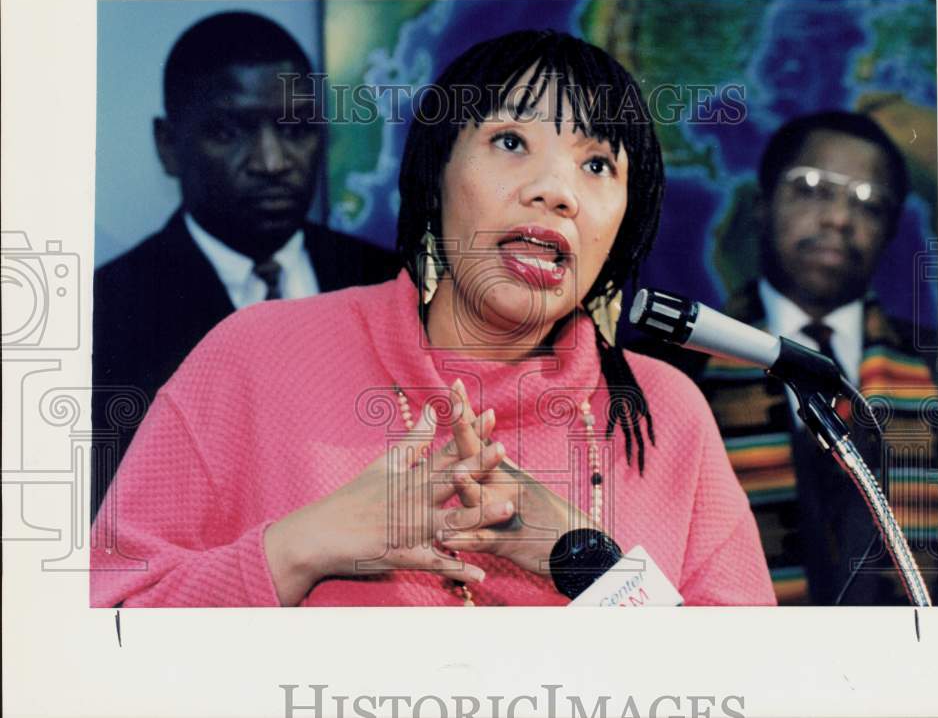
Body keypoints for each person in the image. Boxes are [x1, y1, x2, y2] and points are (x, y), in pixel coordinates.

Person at [90, 30, 775, 608]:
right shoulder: (256, 355)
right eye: (510, 141)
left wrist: (591, 565)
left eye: (597, 163)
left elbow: (753, 690)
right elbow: (100, 625)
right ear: (434, 175)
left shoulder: (665, 416)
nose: (556, 191)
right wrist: (297, 549)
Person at [91, 12, 400, 517]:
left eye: (296, 128)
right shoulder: (104, 314)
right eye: (230, 131)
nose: (272, 161)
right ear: (169, 146)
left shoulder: (390, 281)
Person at [639, 112, 938, 605]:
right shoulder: (670, 372)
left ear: (888, 232)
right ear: (761, 205)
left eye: (869, 203)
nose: (839, 218)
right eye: (813, 188)